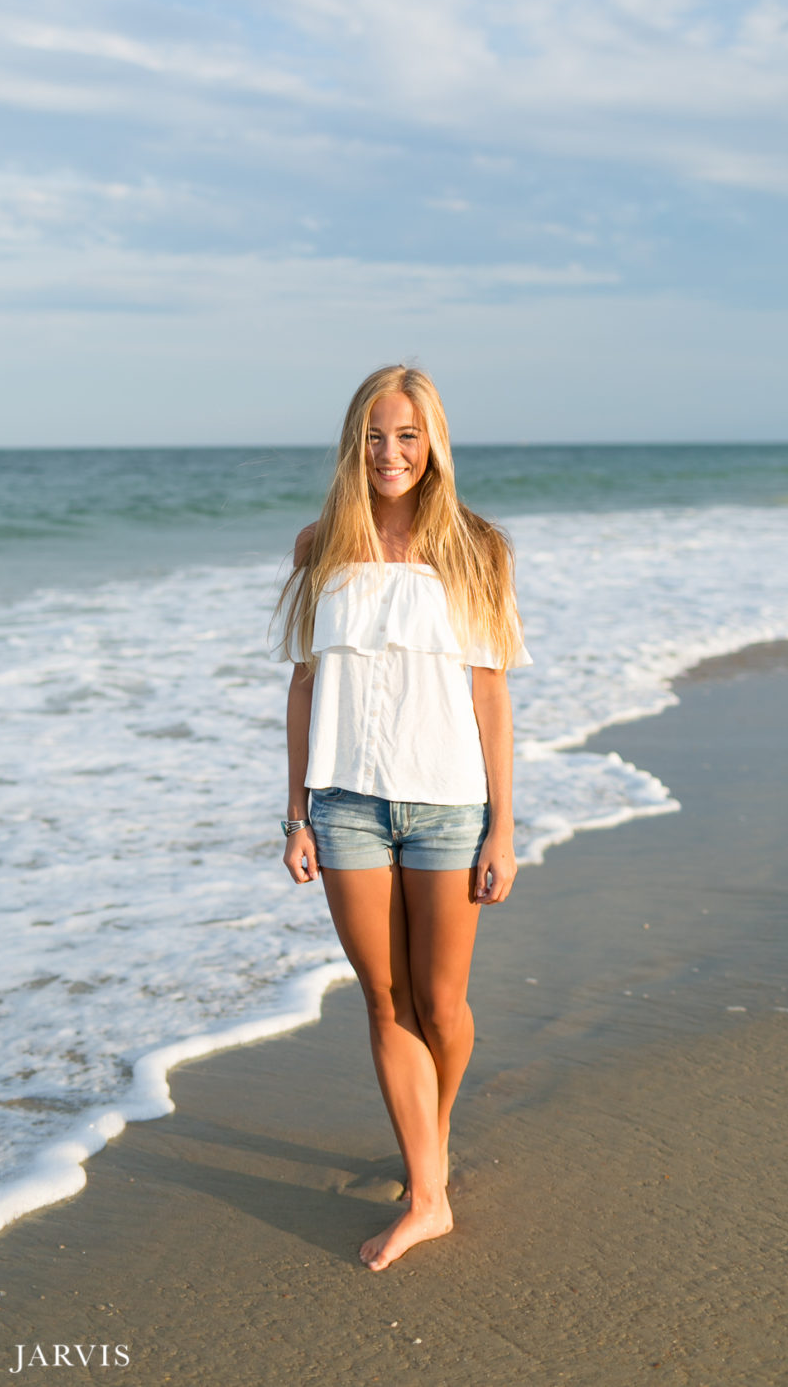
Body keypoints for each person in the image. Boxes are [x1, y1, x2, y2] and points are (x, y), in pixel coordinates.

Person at [273, 364, 530, 1272]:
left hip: (449, 802)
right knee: (385, 999)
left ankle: (434, 1136)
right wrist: (294, 812)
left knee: (442, 1002)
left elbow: (491, 697)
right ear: (356, 442)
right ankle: (430, 1195)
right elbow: (304, 687)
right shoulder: (319, 546)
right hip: (344, 804)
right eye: (376, 436)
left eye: (408, 436)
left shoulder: (476, 547)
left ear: (433, 444)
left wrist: (503, 825)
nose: (390, 453)